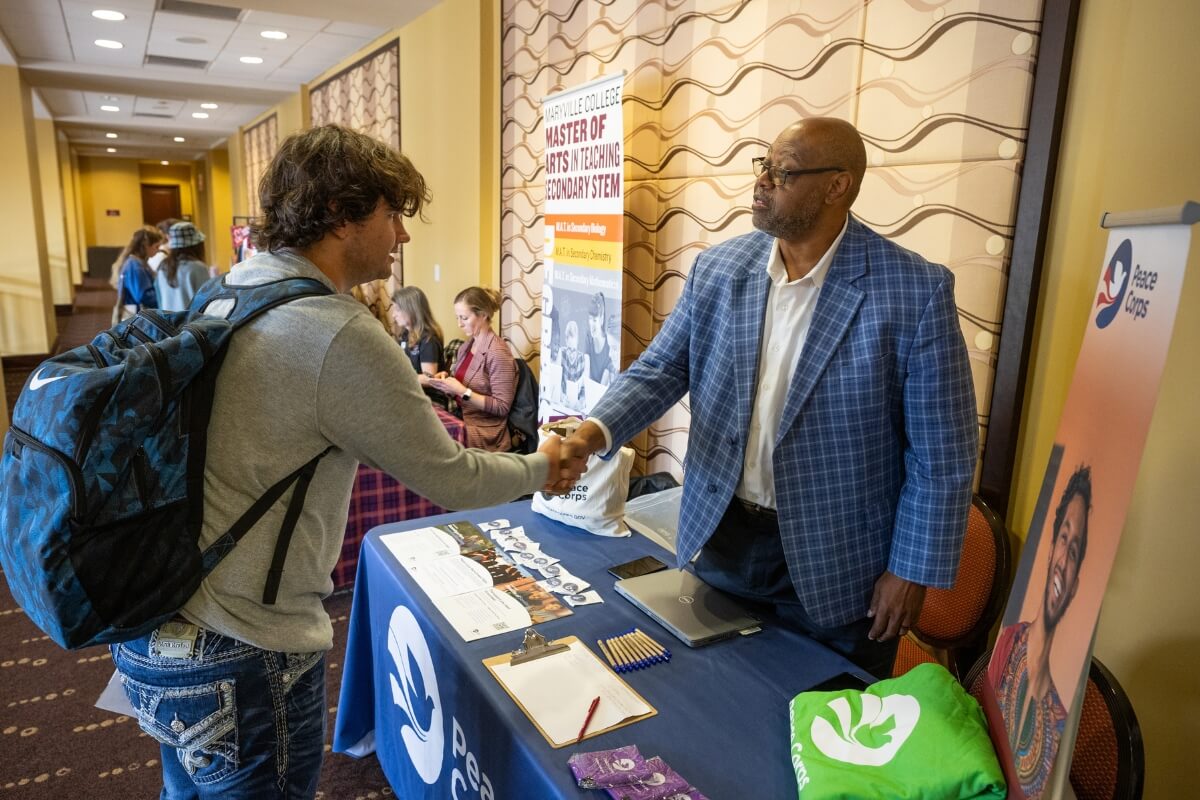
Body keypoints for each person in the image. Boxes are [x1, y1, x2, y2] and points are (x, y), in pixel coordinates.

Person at [107, 125, 582, 800]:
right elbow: (452, 476)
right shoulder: (337, 333)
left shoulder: (227, 291)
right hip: (243, 648)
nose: (404, 237)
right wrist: (547, 466)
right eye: (394, 216)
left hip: (156, 620)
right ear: (341, 215)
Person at [559, 117, 978, 677]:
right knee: (717, 698)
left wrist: (910, 570)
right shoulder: (719, 269)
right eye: (764, 166)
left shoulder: (913, 292)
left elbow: (942, 456)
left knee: (824, 725)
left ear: (838, 186)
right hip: (724, 538)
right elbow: (661, 369)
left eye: (782, 173)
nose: (761, 183)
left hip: (839, 564)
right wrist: (590, 435)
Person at [989, 465, 1091, 799]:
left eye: (1074, 551)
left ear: (1076, 585)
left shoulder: (1058, 713)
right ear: (1049, 550)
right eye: (1063, 538)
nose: (1063, 559)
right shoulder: (1008, 644)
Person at [430, 287, 518, 452]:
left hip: (485, 430)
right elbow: (462, 387)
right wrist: (447, 382)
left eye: (464, 318)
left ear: (483, 314)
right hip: (462, 417)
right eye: (457, 317)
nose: (459, 324)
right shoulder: (467, 346)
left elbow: (502, 407)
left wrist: (463, 391)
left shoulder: (498, 352)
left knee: (430, 442)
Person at [110, 225, 164, 323]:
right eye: (156, 246)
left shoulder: (136, 262)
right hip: (136, 317)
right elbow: (143, 296)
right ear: (146, 245)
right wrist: (164, 296)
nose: (158, 250)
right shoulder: (135, 266)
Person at [392, 284, 445, 380]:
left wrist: (397, 378)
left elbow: (430, 379)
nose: (393, 315)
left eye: (397, 310)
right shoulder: (404, 335)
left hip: (426, 394)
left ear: (412, 310)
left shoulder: (429, 339)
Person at [155, 221, 211, 311]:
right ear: (196, 245)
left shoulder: (162, 267)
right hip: (193, 323)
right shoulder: (198, 267)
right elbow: (207, 301)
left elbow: (159, 300)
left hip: (167, 322)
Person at [583, 291, 615, 385]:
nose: (591, 324)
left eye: (594, 320)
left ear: (601, 319)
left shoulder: (609, 347)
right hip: (588, 390)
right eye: (589, 319)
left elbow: (603, 384)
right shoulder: (588, 337)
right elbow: (586, 370)